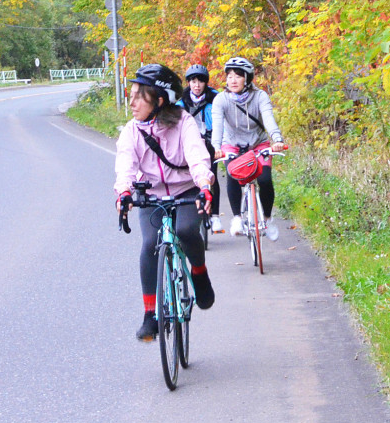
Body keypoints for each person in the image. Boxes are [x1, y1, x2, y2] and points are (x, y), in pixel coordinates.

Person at [115, 64, 216, 341]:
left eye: (139, 95)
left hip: (186, 190)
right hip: (152, 195)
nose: (132, 102)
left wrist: (204, 185)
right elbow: (125, 163)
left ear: (159, 100)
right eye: (131, 94)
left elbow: (197, 156)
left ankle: (199, 272)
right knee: (149, 244)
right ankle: (150, 314)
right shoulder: (132, 130)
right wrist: (124, 191)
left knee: (185, 231)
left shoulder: (183, 122)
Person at [210, 56, 288, 241]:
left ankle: (267, 220)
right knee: (232, 174)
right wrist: (215, 147)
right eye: (229, 76)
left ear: (247, 78)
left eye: (238, 76)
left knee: (265, 179)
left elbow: (269, 119)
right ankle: (237, 218)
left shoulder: (260, 96)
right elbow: (218, 126)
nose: (233, 80)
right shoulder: (221, 100)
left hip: (258, 143)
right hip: (232, 144)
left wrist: (277, 139)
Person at [177, 64, 224, 234]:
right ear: (189, 82)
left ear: (206, 83)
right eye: (193, 81)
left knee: (212, 177)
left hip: (211, 140)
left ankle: (216, 216)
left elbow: (222, 123)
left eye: (200, 82)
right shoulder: (181, 101)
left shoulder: (216, 98)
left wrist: (220, 145)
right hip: (190, 142)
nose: (197, 85)